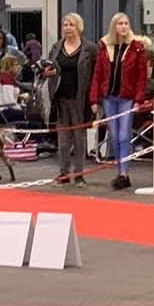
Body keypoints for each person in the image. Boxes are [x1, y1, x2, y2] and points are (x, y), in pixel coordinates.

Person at [89, 12, 149, 190]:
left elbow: (141, 77)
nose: (123, 26)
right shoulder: (104, 47)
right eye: (120, 23)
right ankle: (120, 171)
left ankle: (124, 173)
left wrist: (139, 99)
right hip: (108, 98)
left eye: (126, 23)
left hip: (127, 99)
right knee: (114, 136)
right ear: (114, 26)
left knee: (124, 135)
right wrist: (94, 99)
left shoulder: (138, 48)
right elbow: (97, 75)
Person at [43, 13, 98, 187]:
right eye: (65, 25)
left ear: (79, 27)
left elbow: (96, 74)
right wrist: (47, 72)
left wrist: (94, 99)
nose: (67, 28)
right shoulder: (56, 47)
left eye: (71, 25)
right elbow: (49, 67)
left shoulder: (90, 48)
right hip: (60, 98)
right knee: (63, 139)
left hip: (79, 98)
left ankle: (80, 174)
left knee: (79, 138)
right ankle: (64, 173)